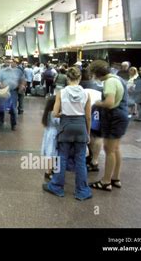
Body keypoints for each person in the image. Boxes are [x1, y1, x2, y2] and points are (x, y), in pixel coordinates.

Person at [42, 67, 93, 201]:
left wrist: (64, 114)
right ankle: (82, 190)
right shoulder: (86, 93)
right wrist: (88, 134)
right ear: (80, 78)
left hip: (65, 126)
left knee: (62, 157)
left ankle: (57, 186)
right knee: (80, 159)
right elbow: (88, 116)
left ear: (67, 79)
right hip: (81, 126)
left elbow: (54, 113)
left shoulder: (61, 92)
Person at [89, 60, 129, 192]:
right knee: (116, 149)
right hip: (122, 116)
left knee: (109, 150)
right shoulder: (118, 78)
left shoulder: (109, 83)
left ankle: (106, 182)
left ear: (96, 73)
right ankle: (115, 178)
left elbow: (110, 103)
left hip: (114, 118)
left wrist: (98, 103)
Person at [80, 67, 104, 172]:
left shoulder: (80, 86)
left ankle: (87, 157)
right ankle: (95, 160)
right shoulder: (100, 84)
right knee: (97, 135)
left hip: (87, 108)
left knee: (87, 134)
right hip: (101, 107)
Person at [0, 59, 26, 131]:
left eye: (10, 62)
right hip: (3, 92)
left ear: (14, 63)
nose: (9, 64)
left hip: (13, 92)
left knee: (13, 108)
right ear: (4, 63)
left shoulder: (18, 71)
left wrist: (22, 85)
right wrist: (1, 85)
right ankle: (1, 119)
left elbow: (22, 80)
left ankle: (13, 124)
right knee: (1, 107)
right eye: (7, 62)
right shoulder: (1, 72)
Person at [41, 96, 59, 181]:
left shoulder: (47, 112)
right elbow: (58, 122)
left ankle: (49, 170)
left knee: (49, 152)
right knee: (52, 153)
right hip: (53, 135)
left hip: (48, 133)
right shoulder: (53, 113)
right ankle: (48, 171)